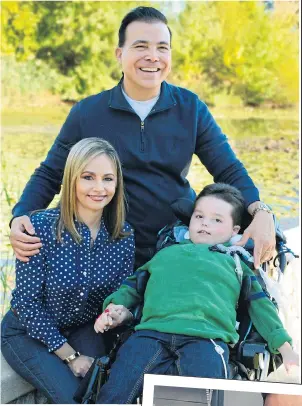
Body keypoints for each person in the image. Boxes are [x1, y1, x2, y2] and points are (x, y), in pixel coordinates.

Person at [10, 6, 275, 271]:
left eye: (162, 47)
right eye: (140, 46)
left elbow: (228, 169)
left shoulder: (191, 108)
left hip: (174, 245)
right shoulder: (87, 113)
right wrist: (20, 215)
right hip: (106, 248)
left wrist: (260, 211)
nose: (153, 57)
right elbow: (51, 173)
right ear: (119, 54)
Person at [93, 183, 299, 404]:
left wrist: (284, 347)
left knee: (206, 396)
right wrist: (113, 308)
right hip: (150, 334)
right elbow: (132, 287)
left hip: (206, 339)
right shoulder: (166, 254)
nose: (205, 224)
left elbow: (261, 307)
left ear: (234, 231)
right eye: (199, 216)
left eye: (217, 220)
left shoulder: (237, 264)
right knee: (115, 392)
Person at [1, 138, 135, 404]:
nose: (99, 188)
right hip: (27, 331)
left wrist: (119, 312)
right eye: (88, 177)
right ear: (72, 179)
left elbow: (120, 294)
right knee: (73, 399)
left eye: (108, 179)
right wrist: (71, 357)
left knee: (109, 391)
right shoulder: (39, 228)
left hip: (83, 327)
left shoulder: (123, 235)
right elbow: (27, 304)